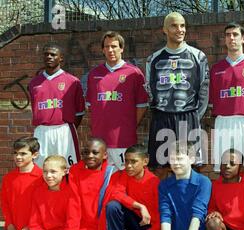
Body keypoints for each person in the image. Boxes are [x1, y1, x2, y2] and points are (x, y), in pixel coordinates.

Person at [145, 12, 209, 179]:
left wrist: (195, 115)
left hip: (188, 118)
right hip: (162, 118)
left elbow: (204, 90)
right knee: (160, 167)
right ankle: (164, 203)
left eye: (182, 26)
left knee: (191, 165)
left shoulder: (198, 56)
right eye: (174, 26)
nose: (180, 29)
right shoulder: (153, 59)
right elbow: (149, 90)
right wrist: (160, 111)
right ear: (165, 30)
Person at [86, 31, 149, 170]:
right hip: (100, 141)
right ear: (102, 50)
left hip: (124, 140)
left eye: (114, 46)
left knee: (125, 179)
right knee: (101, 182)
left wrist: (129, 125)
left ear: (121, 48)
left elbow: (142, 106)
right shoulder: (94, 74)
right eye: (107, 47)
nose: (110, 50)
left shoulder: (134, 73)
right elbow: (90, 107)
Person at [209, 22, 244, 175]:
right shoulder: (216, 69)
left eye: (235, 34)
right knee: (223, 168)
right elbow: (212, 100)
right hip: (222, 122)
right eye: (228, 35)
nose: (231, 38)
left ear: (243, 39)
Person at [158, 141, 212, 230]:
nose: (176, 163)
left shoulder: (203, 182)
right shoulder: (164, 184)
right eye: (172, 159)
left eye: (180, 158)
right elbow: (165, 216)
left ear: (192, 159)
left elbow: (197, 215)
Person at [106, 144, 163, 230]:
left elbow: (161, 220)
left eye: (133, 162)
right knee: (113, 207)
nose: (128, 166)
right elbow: (115, 194)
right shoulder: (124, 175)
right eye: (126, 161)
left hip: (151, 227)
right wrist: (139, 206)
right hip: (134, 220)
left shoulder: (154, 183)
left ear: (145, 161)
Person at [58, 138, 113, 230]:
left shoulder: (111, 174)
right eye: (86, 152)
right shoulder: (75, 171)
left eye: (95, 152)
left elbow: (107, 211)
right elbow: (73, 205)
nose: (90, 156)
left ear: (105, 155)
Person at [15, 155, 79, 230]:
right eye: (45, 172)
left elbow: (71, 225)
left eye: (53, 172)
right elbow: (35, 221)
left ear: (64, 172)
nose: (48, 176)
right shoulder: (39, 191)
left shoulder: (71, 192)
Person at [29, 43, 85, 167]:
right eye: (46, 54)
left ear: (61, 58)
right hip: (42, 131)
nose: (49, 57)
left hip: (64, 130)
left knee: (69, 168)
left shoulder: (72, 81)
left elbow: (80, 113)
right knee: (40, 169)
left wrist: (66, 127)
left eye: (53, 54)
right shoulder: (34, 83)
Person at [0, 137, 42, 230]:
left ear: (35, 155)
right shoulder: (9, 178)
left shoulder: (41, 177)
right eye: (15, 153)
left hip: (31, 229)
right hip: (13, 228)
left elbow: (43, 207)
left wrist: (30, 226)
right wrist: (10, 225)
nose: (18, 157)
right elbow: (5, 203)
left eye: (23, 153)